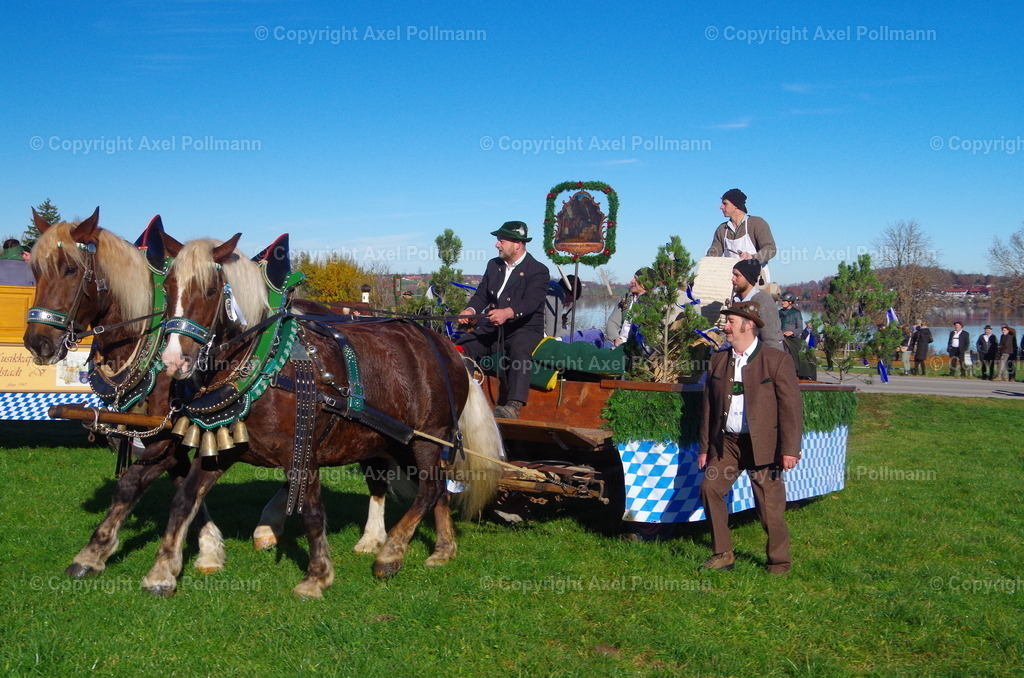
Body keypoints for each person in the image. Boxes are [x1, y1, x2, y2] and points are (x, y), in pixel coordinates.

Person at [697, 302, 802, 574]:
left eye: (731, 322)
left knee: (769, 510)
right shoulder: (718, 360)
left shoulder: (776, 360)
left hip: (765, 446)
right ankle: (723, 554)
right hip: (728, 445)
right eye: (726, 322)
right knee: (710, 489)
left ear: (749, 325)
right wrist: (705, 448)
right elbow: (708, 408)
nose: (726, 327)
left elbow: (791, 408)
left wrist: (790, 449)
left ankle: (779, 562)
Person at [456, 221, 549, 419]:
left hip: (525, 329)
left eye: (501, 241)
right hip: (494, 329)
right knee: (462, 346)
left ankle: (513, 405)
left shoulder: (538, 270)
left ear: (518, 244)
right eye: (498, 241)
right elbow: (482, 294)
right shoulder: (493, 265)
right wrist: (470, 310)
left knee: (520, 348)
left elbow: (532, 302)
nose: (496, 245)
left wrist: (508, 312)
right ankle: (464, 399)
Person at [706, 188, 777, 282]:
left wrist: (753, 258)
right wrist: (705, 265)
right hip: (732, 280)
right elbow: (712, 255)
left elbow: (771, 249)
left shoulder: (756, 223)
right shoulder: (722, 229)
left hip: (756, 280)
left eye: (725, 203)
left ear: (735, 205)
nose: (721, 207)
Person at [729, 259, 783, 350]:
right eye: (733, 275)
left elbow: (771, 340)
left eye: (737, 275)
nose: (733, 279)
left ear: (748, 278)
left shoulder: (763, 300)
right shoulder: (736, 300)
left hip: (759, 356)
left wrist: (772, 359)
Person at [605, 269, 650, 347]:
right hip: (620, 343)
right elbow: (612, 322)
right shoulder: (626, 298)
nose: (632, 281)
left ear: (645, 283)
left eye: (636, 279)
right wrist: (615, 339)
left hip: (640, 347)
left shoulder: (654, 302)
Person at [543, 274, 582, 339]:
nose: (568, 305)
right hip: (533, 338)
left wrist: (559, 322)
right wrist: (578, 334)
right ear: (568, 293)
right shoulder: (556, 293)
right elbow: (553, 333)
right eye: (571, 300)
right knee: (593, 335)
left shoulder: (551, 286)